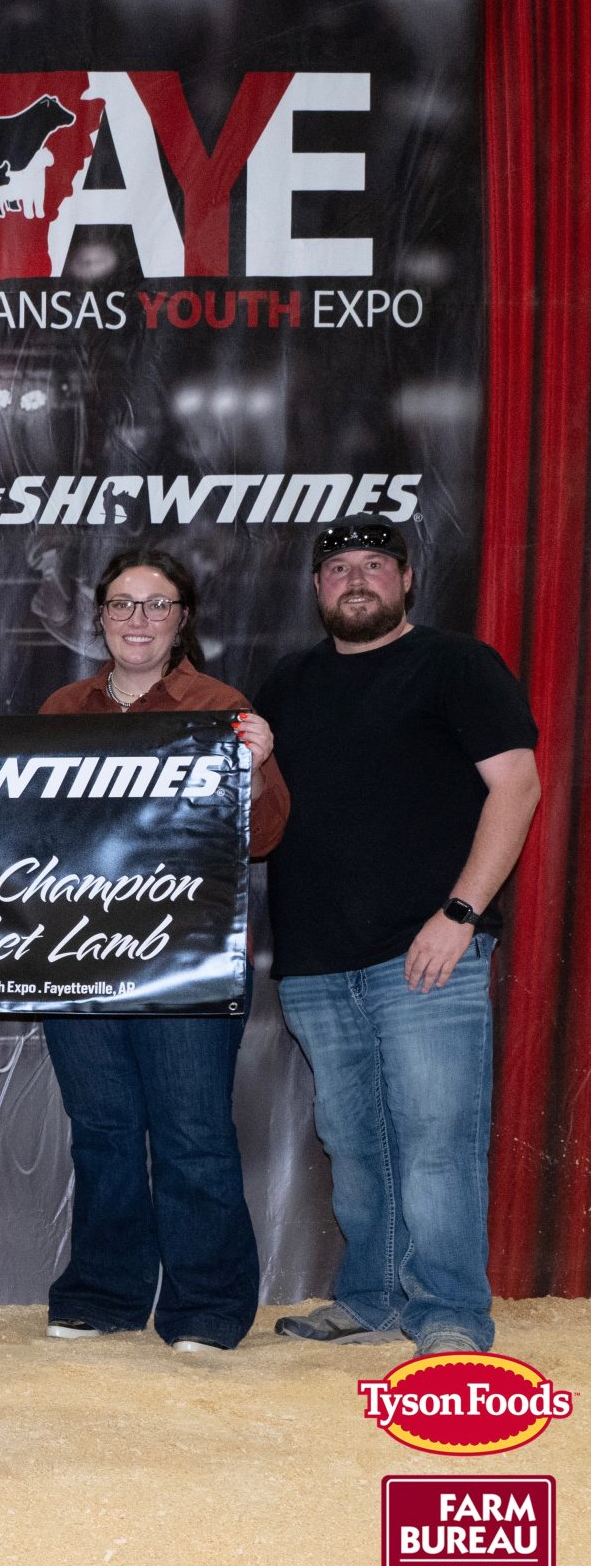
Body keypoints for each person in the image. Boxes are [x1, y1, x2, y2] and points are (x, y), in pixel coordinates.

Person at [253, 519, 539, 1356]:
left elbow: (517, 786)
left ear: (408, 578)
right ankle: (374, 1298)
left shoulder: (457, 664)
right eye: (339, 567)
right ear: (317, 586)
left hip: (429, 950)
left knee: (436, 1144)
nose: (356, 579)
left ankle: (451, 1313)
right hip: (315, 960)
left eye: (375, 564)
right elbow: (262, 808)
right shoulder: (286, 682)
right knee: (355, 1143)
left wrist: (461, 913)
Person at [38, 547, 289, 1351]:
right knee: (102, 1128)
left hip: (186, 956)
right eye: (122, 603)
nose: (137, 618)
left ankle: (207, 1306)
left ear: (182, 619)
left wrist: (256, 764)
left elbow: (266, 834)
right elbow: (22, 833)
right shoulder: (61, 710)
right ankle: (104, 1292)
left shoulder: (221, 709)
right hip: (78, 953)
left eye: (156, 603)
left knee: (192, 1132)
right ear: (100, 616)